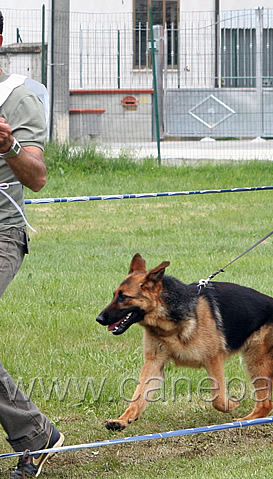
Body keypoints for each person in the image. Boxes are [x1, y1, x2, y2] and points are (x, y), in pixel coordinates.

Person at [0, 10, 65, 478]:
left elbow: (37, 176)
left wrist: (8, 147)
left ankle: (34, 433)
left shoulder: (16, 97)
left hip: (2, 232)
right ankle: (35, 433)